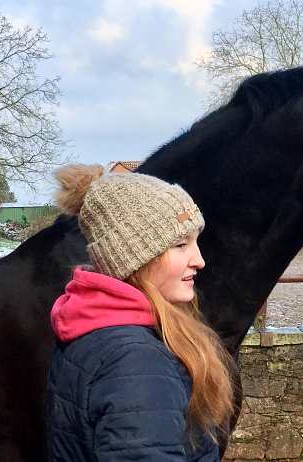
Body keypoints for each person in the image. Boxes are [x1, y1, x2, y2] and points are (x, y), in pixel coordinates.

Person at [45, 164, 233, 462]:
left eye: (195, 242)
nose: (199, 260)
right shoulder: (135, 359)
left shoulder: (91, 327)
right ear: (133, 257)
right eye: (180, 244)